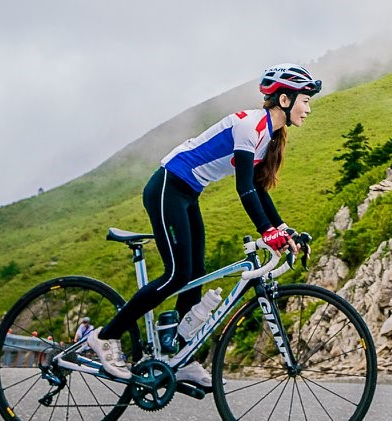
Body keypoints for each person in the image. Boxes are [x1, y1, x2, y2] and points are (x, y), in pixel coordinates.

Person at [86, 64, 321, 389]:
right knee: (176, 274)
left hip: (188, 193)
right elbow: (244, 189)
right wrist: (269, 232)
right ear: (284, 99)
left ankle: (180, 357)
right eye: (305, 101)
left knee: (195, 273)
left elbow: (258, 187)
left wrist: (282, 228)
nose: (308, 108)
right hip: (168, 185)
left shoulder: (267, 135)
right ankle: (105, 336)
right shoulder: (251, 125)